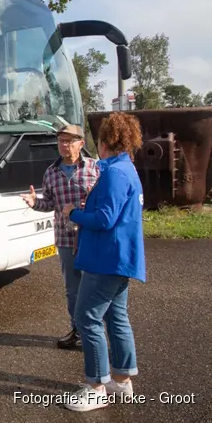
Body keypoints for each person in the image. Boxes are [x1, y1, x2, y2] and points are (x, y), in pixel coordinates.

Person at [62, 112, 145, 412]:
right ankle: (122, 380)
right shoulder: (127, 169)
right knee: (115, 318)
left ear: (105, 141)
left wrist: (73, 213)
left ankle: (96, 386)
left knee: (86, 318)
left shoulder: (114, 173)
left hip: (105, 260)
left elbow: (105, 219)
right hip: (120, 260)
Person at [20, 124, 99, 349]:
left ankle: (95, 332)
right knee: (72, 289)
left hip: (91, 237)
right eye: (61, 141)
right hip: (65, 240)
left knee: (93, 286)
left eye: (69, 141)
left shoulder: (95, 168)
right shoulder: (51, 172)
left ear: (81, 144)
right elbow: (51, 204)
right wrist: (35, 203)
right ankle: (78, 330)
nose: (64, 145)